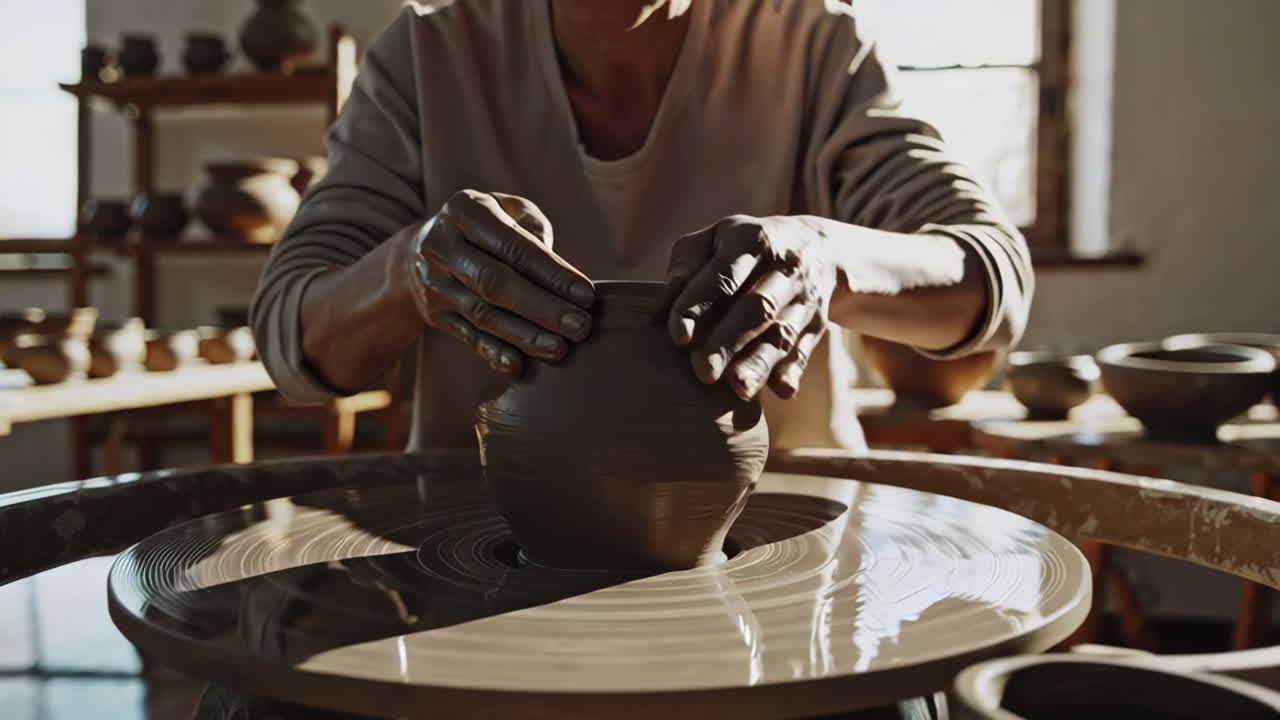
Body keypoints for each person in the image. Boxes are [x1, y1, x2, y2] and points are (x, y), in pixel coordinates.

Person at [251, 0, 1031, 455]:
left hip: (779, 551)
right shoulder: (430, 53)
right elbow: (293, 337)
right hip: (491, 551)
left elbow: (993, 281)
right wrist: (410, 271)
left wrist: (826, 260)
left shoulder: (809, 40)